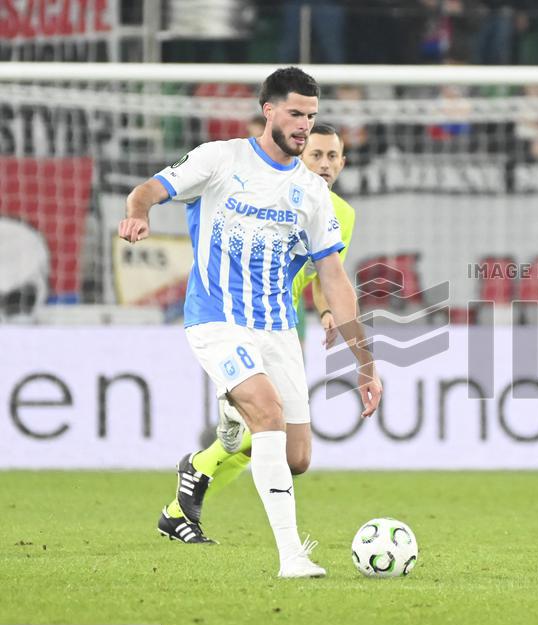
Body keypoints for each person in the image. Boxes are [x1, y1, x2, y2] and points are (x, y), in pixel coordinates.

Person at [120, 67, 381, 578]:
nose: (305, 126)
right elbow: (148, 189)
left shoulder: (311, 192)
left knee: (298, 456)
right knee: (266, 410)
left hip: (278, 327)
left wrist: (365, 364)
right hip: (217, 317)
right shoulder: (221, 158)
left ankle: (235, 408)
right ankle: (291, 557)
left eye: (311, 116)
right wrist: (139, 213)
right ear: (269, 111)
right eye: (296, 114)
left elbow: (335, 280)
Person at [154, 124, 361, 538]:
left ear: (343, 162)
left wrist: (325, 314)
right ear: (300, 155)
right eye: (315, 155)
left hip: (286, 320)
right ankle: (203, 470)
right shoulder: (273, 190)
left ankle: (187, 493)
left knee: (288, 447)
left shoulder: (341, 212)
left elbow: (327, 276)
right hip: (239, 314)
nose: (323, 164)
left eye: (331, 157)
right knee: (268, 421)